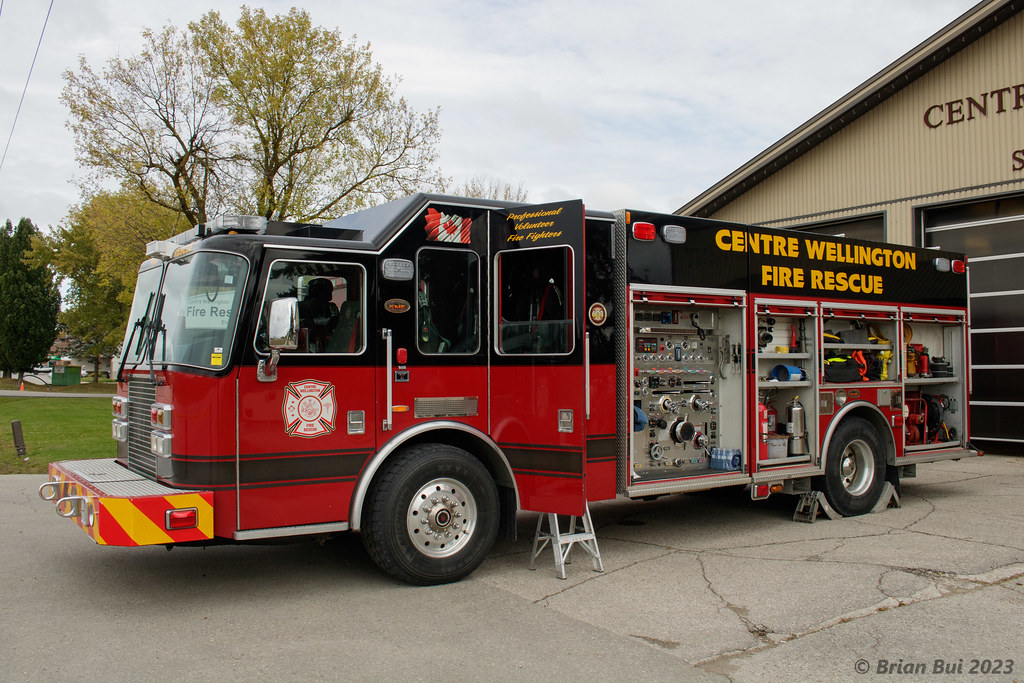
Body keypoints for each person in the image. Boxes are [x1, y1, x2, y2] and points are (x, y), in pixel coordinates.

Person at [298, 277, 339, 352]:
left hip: (328, 345)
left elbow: (337, 327)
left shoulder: (332, 307)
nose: (330, 294)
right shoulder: (303, 307)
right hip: (307, 344)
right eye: (326, 291)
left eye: (330, 291)